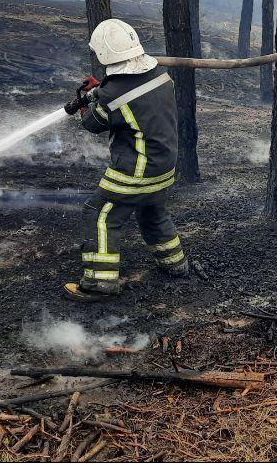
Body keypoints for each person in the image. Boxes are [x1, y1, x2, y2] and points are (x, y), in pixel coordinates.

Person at [65, 19, 187, 302]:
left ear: (104, 54)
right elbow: (133, 96)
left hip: (136, 170)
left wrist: (90, 103)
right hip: (164, 166)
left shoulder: (112, 97)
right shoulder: (160, 74)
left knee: (100, 214)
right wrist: (102, 90)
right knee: (152, 210)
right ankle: (175, 263)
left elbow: (92, 124)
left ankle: (99, 283)